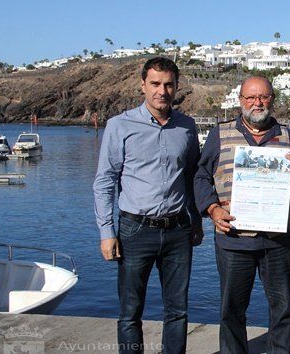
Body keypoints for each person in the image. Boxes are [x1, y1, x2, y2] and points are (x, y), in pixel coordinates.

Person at [193, 76, 290, 354]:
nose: (257, 103)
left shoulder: (286, 134)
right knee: (231, 311)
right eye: (250, 97)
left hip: (277, 240)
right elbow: (200, 176)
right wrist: (212, 209)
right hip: (234, 238)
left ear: (272, 99)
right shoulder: (219, 134)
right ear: (241, 101)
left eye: (263, 97)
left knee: (283, 310)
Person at [93, 57, 203, 354]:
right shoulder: (119, 125)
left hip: (178, 229)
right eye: (155, 83)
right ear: (143, 85)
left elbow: (191, 176)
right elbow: (105, 181)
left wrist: (196, 219)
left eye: (168, 84)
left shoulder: (187, 127)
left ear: (177, 87)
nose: (162, 91)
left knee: (177, 311)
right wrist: (106, 231)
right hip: (134, 230)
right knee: (130, 313)